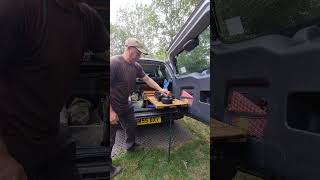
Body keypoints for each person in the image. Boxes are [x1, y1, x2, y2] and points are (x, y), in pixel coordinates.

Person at [0, 0, 108, 179]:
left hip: (50, 139)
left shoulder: (86, 17)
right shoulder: (17, 7)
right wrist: (2, 159)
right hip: (11, 145)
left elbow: (109, 54)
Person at [110, 37, 169, 177]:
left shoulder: (136, 66)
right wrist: (111, 111)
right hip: (113, 105)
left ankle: (131, 146)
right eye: (138, 52)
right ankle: (108, 168)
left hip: (126, 104)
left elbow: (147, 79)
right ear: (129, 48)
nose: (140, 55)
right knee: (110, 138)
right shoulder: (114, 63)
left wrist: (161, 90)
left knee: (131, 126)